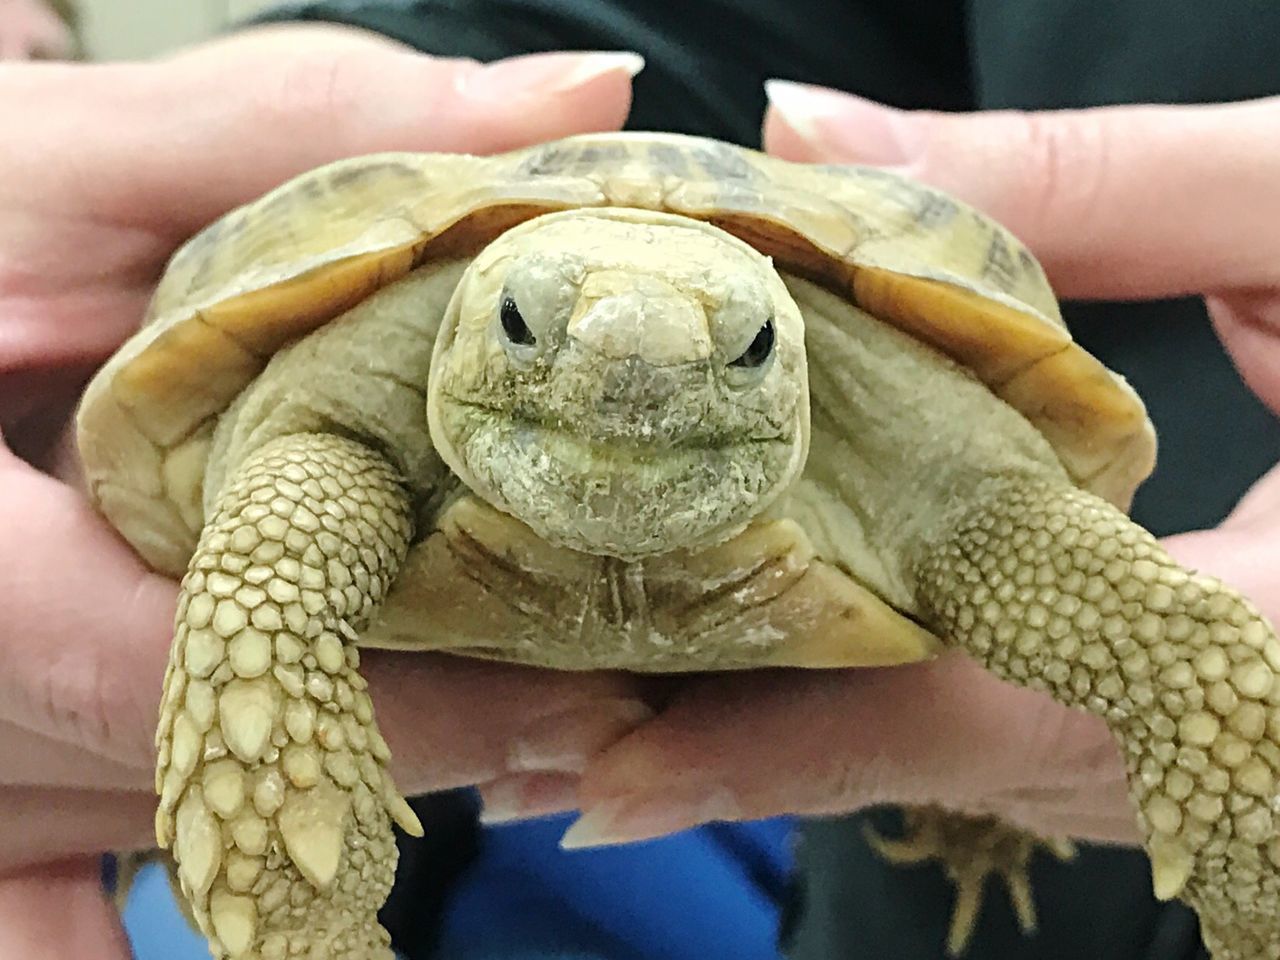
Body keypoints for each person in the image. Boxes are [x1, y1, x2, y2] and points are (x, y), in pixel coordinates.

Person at [0, 4, 1276, 959]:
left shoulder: (922, 452)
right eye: (524, 338)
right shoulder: (329, 441)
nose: (625, 396)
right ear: (462, 326)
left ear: (787, 351)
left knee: (1178, 666)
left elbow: (1177, 662)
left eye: (731, 361)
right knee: (265, 589)